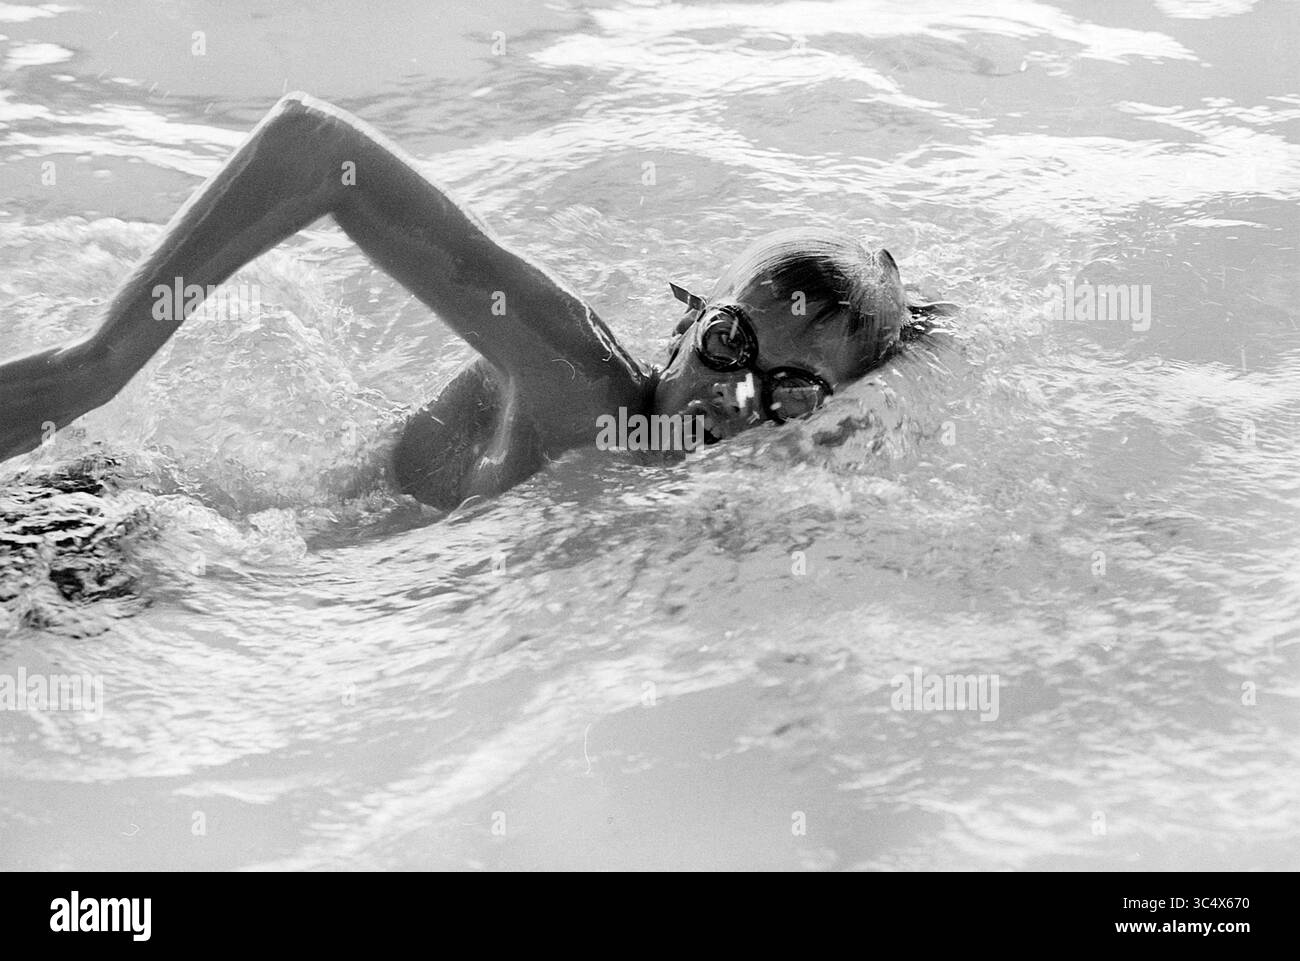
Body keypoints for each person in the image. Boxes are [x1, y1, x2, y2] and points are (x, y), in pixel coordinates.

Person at [0, 93, 954, 510]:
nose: (729, 395)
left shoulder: (687, 489)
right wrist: (98, 365)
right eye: (729, 341)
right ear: (688, 324)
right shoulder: (584, 386)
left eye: (786, 393)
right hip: (122, 546)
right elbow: (314, 147)